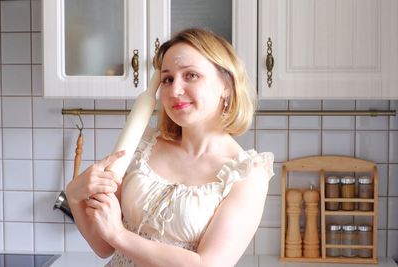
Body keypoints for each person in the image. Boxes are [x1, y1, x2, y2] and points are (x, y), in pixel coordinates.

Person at [66, 28, 274, 267]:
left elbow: (207, 264)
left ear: (226, 84)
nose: (175, 90)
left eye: (191, 75)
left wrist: (120, 235)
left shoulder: (247, 174)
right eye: (167, 79)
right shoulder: (143, 145)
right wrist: (75, 195)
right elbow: (103, 247)